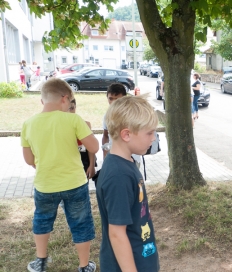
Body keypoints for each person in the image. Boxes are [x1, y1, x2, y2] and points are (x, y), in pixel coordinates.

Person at [20, 78, 99, 272]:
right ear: (65, 98)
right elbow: (94, 147)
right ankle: (83, 265)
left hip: (45, 185)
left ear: (42, 101)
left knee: (42, 220)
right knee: (81, 223)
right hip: (75, 184)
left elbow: (29, 160)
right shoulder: (73, 120)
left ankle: (40, 262)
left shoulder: (28, 124)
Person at [96, 96, 160, 271]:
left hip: (141, 257)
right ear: (126, 134)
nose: (153, 138)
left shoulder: (126, 163)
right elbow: (116, 233)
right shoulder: (118, 176)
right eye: (149, 133)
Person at [69, 99, 97, 179]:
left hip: (83, 162)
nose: (70, 112)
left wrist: (91, 165)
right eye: (67, 109)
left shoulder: (85, 124)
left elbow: (90, 148)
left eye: (72, 108)